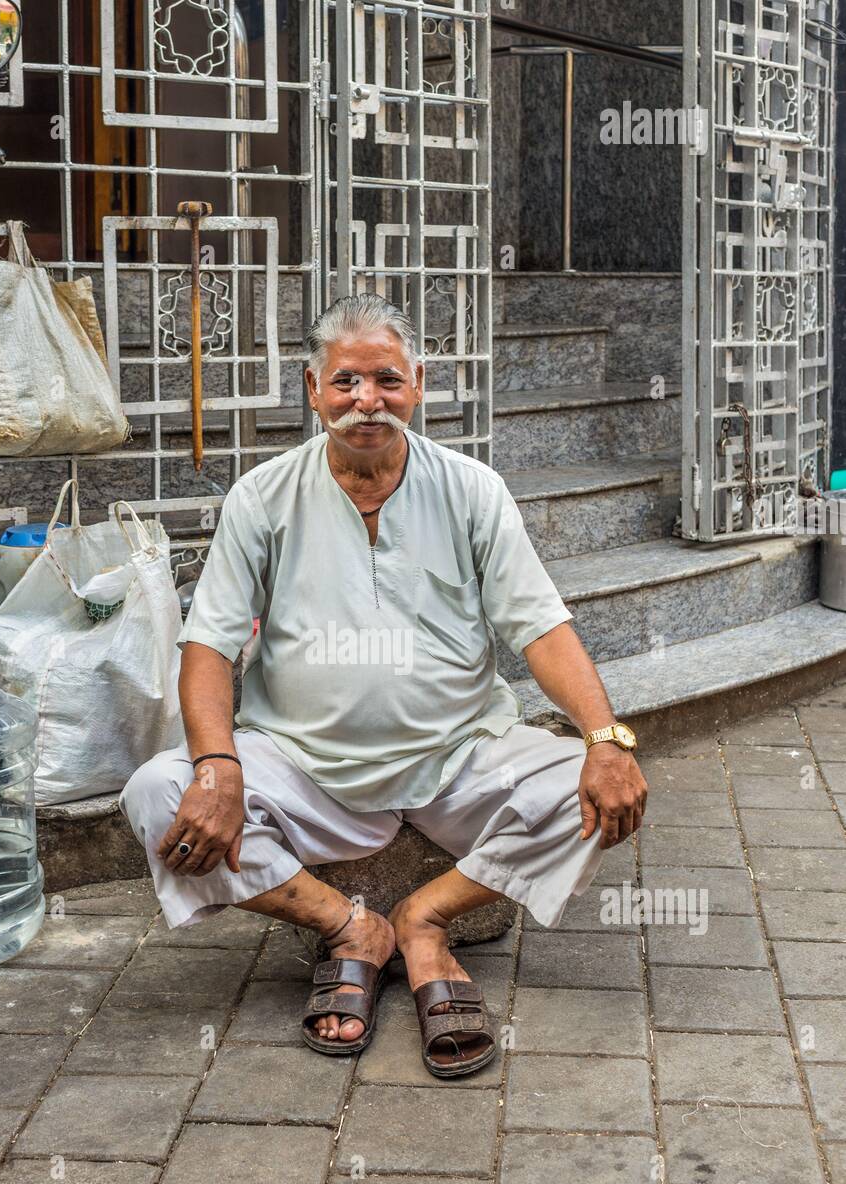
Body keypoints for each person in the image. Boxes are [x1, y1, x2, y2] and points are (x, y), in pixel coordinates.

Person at [122, 293, 647, 1077]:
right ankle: (349, 929)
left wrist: (605, 739)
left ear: (418, 385)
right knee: (155, 794)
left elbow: (538, 627)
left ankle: (424, 920)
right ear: (311, 389)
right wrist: (219, 766)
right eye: (346, 383)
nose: (367, 401)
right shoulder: (262, 498)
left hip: (458, 757)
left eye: (387, 380)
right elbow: (209, 646)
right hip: (302, 765)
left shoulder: (472, 490)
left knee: (601, 789)